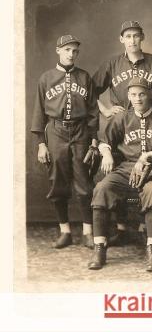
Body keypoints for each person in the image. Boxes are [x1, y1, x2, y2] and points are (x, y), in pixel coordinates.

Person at [92, 21, 152, 242]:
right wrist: (107, 110)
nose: (132, 40)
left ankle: (144, 230)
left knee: (148, 181)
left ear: (142, 37)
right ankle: (120, 230)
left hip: (151, 128)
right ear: (121, 39)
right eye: (127, 36)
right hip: (121, 131)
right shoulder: (112, 64)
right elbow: (89, 90)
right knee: (117, 177)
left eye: (136, 36)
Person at [88, 77, 152, 271]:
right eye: (133, 95)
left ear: (150, 95)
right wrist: (106, 154)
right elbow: (105, 140)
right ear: (128, 97)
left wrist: (148, 156)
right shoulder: (122, 117)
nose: (137, 99)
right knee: (101, 188)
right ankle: (99, 248)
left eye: (141, 94)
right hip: (126, 168)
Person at [31, 34, 99, 249]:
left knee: (84, 184)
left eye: (75, 51)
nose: (71, 54)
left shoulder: (84, 77)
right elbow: (39, 113)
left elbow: (93, 112)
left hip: (81, 132)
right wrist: (41, 143)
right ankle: (65, 231)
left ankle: (88, 231)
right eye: (67, 50)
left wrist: (94, 141)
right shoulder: (46, 78)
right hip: (56, 131)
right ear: (58, 51)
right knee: (57, 182)